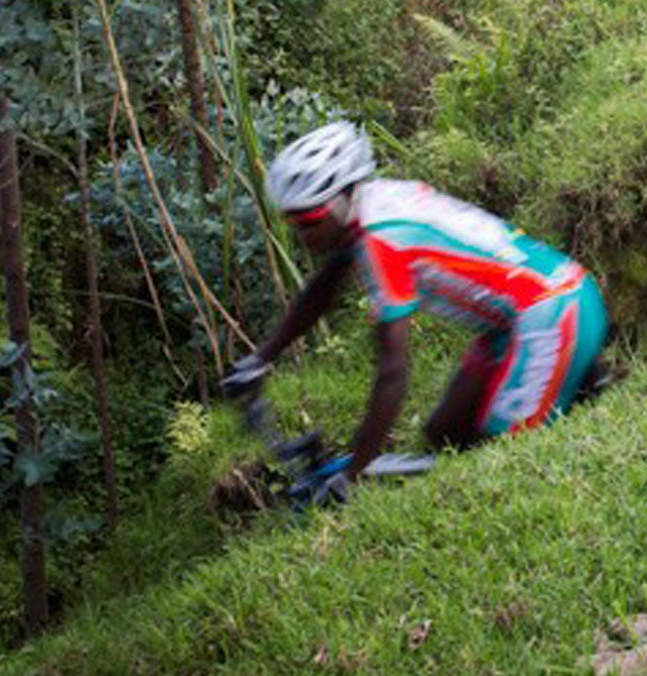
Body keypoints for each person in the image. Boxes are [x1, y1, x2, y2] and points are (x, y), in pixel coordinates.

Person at [222, 121, 609, 484]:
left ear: (341, 200)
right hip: (515, 322)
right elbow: (322, 290)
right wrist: (262, 358)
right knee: (445, 434)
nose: (302, 235)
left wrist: (353, 473)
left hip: (553, 312)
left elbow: (393, 370)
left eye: (310, 219)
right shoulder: (371, 204)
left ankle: (578, 384)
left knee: (504, 459)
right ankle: (577, 384)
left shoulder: (382, 239)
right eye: (293, 223)